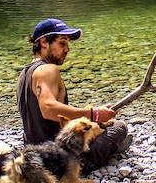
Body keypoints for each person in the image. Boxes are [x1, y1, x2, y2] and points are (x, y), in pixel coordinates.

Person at [17, 18, 130, 171]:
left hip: (34, 158)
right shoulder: (48, 70)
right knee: (119, 127)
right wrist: (94, 114)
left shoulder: (25, 74)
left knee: (97, 128)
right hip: (61, 162)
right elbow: (48, 108)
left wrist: (91, 117)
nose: (67, 49)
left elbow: (54, 115)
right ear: (44, 42)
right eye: (62, 43)